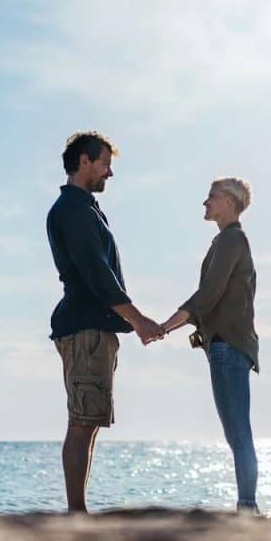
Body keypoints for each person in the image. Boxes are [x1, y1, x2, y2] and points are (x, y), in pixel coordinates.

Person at [46, 131, 165, 513]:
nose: (109, 173)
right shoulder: (73, 211)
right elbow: (97, 274)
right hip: (84, 328)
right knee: (81, 424)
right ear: (84, 162)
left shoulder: (87, 208)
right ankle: (76, 514)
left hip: (96, 328)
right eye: (105, 164)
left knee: (90, 421)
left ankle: (79, 511)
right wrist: (139, 319)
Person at [161, 177, 260, 513]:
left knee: (238, 433)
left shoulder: (232, 240)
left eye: (211, 197)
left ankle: (247, 507)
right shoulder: (226, 241)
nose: (205, 203)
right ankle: (247, 506)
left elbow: (208, 295)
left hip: (228, 346)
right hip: (229, 345)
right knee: (237, 433)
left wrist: (164, 326)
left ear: (230, 202)